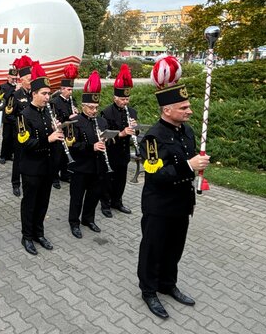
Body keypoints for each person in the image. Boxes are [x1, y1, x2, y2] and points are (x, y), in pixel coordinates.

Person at [138, 56, 210, 319]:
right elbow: (155, 175)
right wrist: (189, 166)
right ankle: (148, 290)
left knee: (174, 248)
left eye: (189, 106)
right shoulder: (153, 137)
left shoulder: (187, 131)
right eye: (184, 107)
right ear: (167, 110)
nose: (189, 111)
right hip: (159, 205)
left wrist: (198, 166)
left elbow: (188, 163)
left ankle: (168, 284)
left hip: (182, 203)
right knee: (153, 248)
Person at [17, 65, 63, 255]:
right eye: (44, 93)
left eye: (49, 94)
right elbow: (24, 142)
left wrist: (57, 130)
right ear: (34, 93)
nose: (47, 97)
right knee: (30, 203)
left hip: (47, 166)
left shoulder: (48, 112)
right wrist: (48, 138)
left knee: (43, 202)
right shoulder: (23, 115)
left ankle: (39, 233)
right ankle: (27, 236)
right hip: (31, 168)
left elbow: (53, 137)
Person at [68, 71, 109, 239]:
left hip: (98, 166)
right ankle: (74, 222)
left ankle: (88, 219)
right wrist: (91, 147)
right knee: (77, 197)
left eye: (96, 107)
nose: (94, 110)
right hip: (80, 166)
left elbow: (105, 136)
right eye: (91, 107)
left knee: (93, 195)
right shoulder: (75, 121)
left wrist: (108, 140)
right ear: (83, 106)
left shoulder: (101, 121)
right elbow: (72, 145)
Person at [100, 64, 137, 218]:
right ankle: (105, 204)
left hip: (124, 153)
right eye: (122, 99)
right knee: (108, 179)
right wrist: (121, 134)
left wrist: (135, 129)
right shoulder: (106, 112)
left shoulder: (132, 111)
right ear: (115, 97)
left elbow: (137, 129)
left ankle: (117, 201)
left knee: (121, 179)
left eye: (127, 98)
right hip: (111, 152)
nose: (125, 101)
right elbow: (104, 135)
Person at [4, 56, 33, 197]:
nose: (31, 82)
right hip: (20, 133)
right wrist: (19, 124)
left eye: (32, 79)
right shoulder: (15, 95)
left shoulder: (34, 95)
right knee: (18, 160)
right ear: (22, 80)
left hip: (33, 134)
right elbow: (8, 115)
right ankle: (16, 184)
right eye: (28, 79)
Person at [49, 63, 79, 188]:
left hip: (70, 132)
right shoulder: (55, 102)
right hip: (60, 132)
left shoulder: (73, 100)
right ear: (62, 89)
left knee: (67, 156)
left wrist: (77, 113)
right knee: (57, 156)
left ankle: (65, 175)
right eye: (68, 89)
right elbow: (55, 119)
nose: (70, 92)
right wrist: (68, 117)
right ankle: (54, 178)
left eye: (71, 90)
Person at [0, 68, 18, 164]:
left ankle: (10, 155)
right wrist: (14, 89)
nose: (14, 80)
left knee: (14, 137)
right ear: (8, 77)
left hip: (14, 116)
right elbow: (4, 98)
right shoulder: (2, 87)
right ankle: (3, 156)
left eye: (15, 78)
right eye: (12, 78)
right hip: (6, 116)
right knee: (6, 137)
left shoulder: (18, 87)